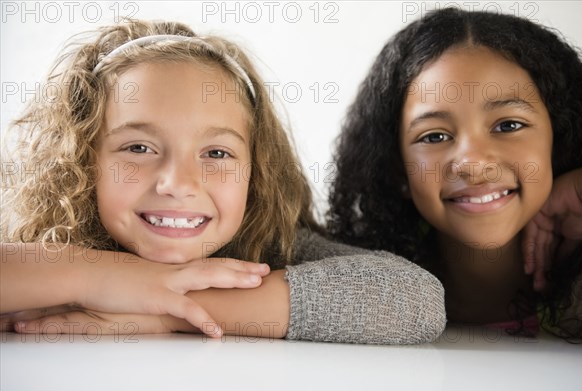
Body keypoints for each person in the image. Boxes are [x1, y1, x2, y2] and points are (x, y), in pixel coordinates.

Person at [0, 19, 446, 345]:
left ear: (256, 172)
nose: (178, 183)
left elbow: (414, 301)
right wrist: (108, 279)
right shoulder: (36, 230)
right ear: (83, 159)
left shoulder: (267, 240)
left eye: (216, 153)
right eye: (138, 148)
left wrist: (164, 312)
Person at [328, 8, 582, 341]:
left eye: (508, 125)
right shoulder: (362, 293)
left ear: (560, 138)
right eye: (434, 136)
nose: (472, 163)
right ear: (396, 167)